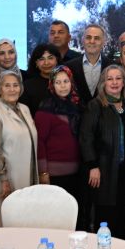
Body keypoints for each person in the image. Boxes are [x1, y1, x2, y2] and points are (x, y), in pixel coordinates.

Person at [82, 65, 125, 242]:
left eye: (118, 78)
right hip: (105, 169)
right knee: (107, 214)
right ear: (103, 83)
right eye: (110, 79)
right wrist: (93, 166)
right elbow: (86, 137)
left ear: (124, 82)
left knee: (124, 212)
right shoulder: (95, 106)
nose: (114, 82)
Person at [0, 71, 39, 223]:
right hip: (0, 184)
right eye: (7, 86)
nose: (12, 89)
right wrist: (3, 179)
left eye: (15, 85)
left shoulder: (24, 109)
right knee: (0, 229)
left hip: (21, 182)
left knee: (19, 228)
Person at [35, 66, 86, 226]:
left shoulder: (77, 106)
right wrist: (43, 172)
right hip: (54, 175)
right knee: (56, 220)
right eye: (58, 82)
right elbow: (40, 142)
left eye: (66, 81)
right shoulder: (46, 108)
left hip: (77, 173)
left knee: (74, 219)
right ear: (52, 85)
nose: (63, 86)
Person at [67, 24, 108, 103]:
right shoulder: (69, 67)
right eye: (88, 37)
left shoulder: (112, 66)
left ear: (103, 42)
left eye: (97, 38)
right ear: (83, 40)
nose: (92, 41)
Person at [22, 44, 60, 112]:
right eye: (42, 59)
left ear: (57, 60)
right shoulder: (27, 86)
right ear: (36, 63)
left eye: (50, 58)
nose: (46, 63)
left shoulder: (66, 81)